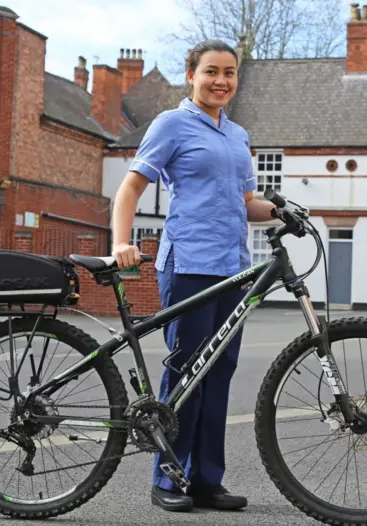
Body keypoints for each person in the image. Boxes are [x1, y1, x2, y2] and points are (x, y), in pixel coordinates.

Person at [110, 39, 280, 513]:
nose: (220, 80)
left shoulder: (238, 135)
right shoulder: (172, 124)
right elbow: (131, 187)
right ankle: (168, 476)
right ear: (192, 74)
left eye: (229, 72)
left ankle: (207, 479)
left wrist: (283, 211)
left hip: (231, 269)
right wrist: (121, 242)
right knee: (187, 373)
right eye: (211, 71)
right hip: (188, 265)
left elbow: (248, 205)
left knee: (219, 374)